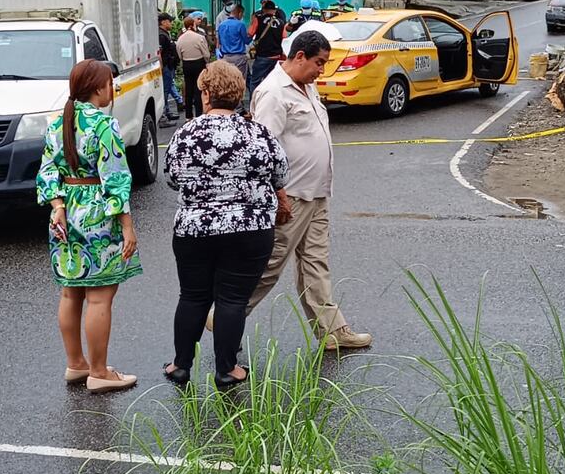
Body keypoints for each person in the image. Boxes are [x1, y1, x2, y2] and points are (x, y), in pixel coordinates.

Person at [241, 30, 372, 350]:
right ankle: (226, 311)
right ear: (299, 56)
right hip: (291, 195)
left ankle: (332, 331)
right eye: (318, 62)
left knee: (316, 263)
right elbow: (264, 149)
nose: (321, 70)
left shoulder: (307, 86)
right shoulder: (274, 92)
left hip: (316, 192)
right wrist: (277, 194)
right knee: (270, 264)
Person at [164, 61, 288, 387]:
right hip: (249, 228)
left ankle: (180, 365)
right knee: (232, 299)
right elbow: (280, 174)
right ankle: (226, 369)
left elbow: (173, 179)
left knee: (192, 297)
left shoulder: (185, 133)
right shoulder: (259, 133)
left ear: (205, 93)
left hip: (194, 229)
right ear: (238, 92)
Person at [36, 59, 140, 394]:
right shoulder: (104, 126)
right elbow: (116, 179)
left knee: (70, 292)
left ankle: (76, 364)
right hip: (97, 213)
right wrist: (127, 226)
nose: (113, 88)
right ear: (98, 87)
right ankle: (99, 372)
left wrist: (58, 207)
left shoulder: (57, 123)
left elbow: (47, 174)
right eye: (110, 82)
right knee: (99, 298)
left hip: (65, 212)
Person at [248, 0, 286, 96]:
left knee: (255, 82)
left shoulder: (258, 19)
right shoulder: (281, 23)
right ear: (274, 10)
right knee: (274, 83)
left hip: (262, 56)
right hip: (276, 57)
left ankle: (254, 106)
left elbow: (250, 33)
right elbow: (284, 38)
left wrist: (252, 20)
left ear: (264, 10)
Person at [176, 15, 212, 120]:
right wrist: (207, 62)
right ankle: (199, 114)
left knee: (188, 90)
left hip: (186, 64)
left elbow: (179, 55)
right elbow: (206, 54)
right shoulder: (199, 37)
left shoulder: (180, 39)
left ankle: (188, 116)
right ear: (193, 25)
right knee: (198, 89)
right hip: (198, 63)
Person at [216, 3, 251, 90]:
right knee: (239, 80)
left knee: (227, 80)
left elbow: (219, 41)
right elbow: (246, 41)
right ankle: (238, 100)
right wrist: (251, 34)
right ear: (239, 13)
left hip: (225, 57)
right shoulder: (240, 25)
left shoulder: (221, 25)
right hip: (239, 57)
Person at [158, 13, 182, 122]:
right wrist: (162, 66)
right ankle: (164, 115)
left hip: (169, 65)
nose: (171, 23)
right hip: (166, 66)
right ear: (163, 22)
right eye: (169, 21)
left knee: (168, 87)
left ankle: (168, 111)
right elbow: (160, 52)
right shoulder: (162, 36)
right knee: (165, 91)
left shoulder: (165, 34)